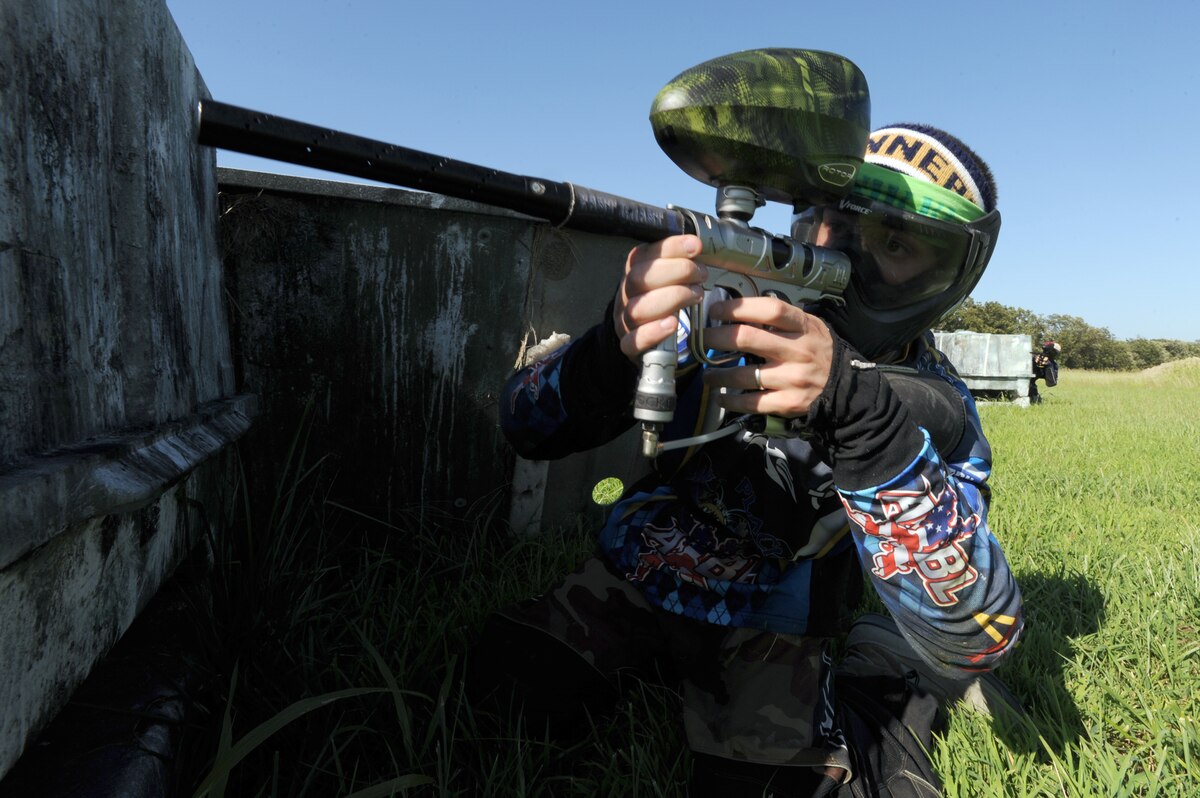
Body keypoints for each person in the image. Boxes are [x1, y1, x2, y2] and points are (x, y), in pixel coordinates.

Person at [470, 123, 1025, 796]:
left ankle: (881, 680)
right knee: (504, 691)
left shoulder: (937, 406)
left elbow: (976, 634)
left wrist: (861, 417)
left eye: (896, 244)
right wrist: (610, 351)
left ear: (949, 274)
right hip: (634, 575)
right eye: (834, 222)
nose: (847, 256)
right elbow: (526, 427)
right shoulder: (720, 309)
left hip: (777, 625)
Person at [1029, 340, 1061, 404]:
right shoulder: (1033, 357)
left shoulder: (1051, 364)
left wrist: (1047, 365)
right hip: (1022, 382)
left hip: (1029, 385)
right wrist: (1034, 360)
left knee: (1033, 392)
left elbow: (1052, 383)